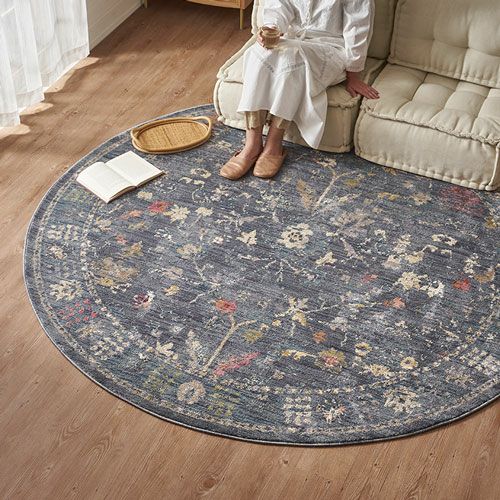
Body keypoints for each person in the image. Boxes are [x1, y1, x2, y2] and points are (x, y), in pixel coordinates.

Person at [220, 0, 380, 180]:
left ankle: (274, 145)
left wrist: (353, 76)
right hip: (290, 40)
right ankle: (252, 145)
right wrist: (272, 28)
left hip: (330, 48)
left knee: (292, 58)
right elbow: (279, 6)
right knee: (257, 53)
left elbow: (357, 28)